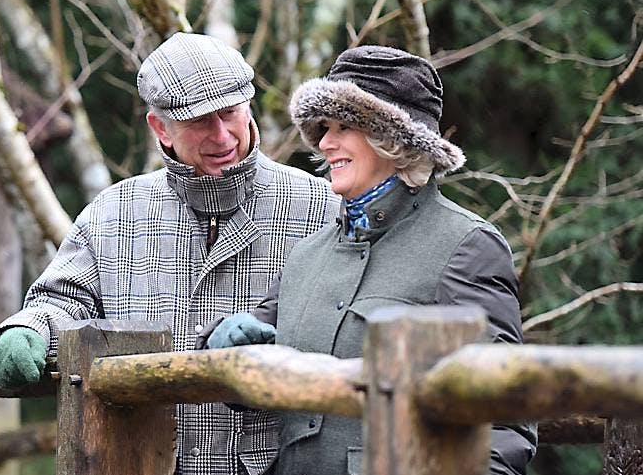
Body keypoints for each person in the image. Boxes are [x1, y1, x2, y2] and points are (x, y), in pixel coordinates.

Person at [0, 33, 338, 475]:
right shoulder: (114, 212)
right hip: (139, 461)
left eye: (230, 113)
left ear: (249, 103)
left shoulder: (322, 206)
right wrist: (26, 331)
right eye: (199, 122)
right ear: (160, 128)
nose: (222, 135)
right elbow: (62, 302)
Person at [203, 45, 537, 475]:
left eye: (343, 126)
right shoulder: (307, 254)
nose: (324, 142)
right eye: (323, 127)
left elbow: (505, 419)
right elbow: (247, 354)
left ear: (393, 138)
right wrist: (220, 342)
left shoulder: (467, 246)